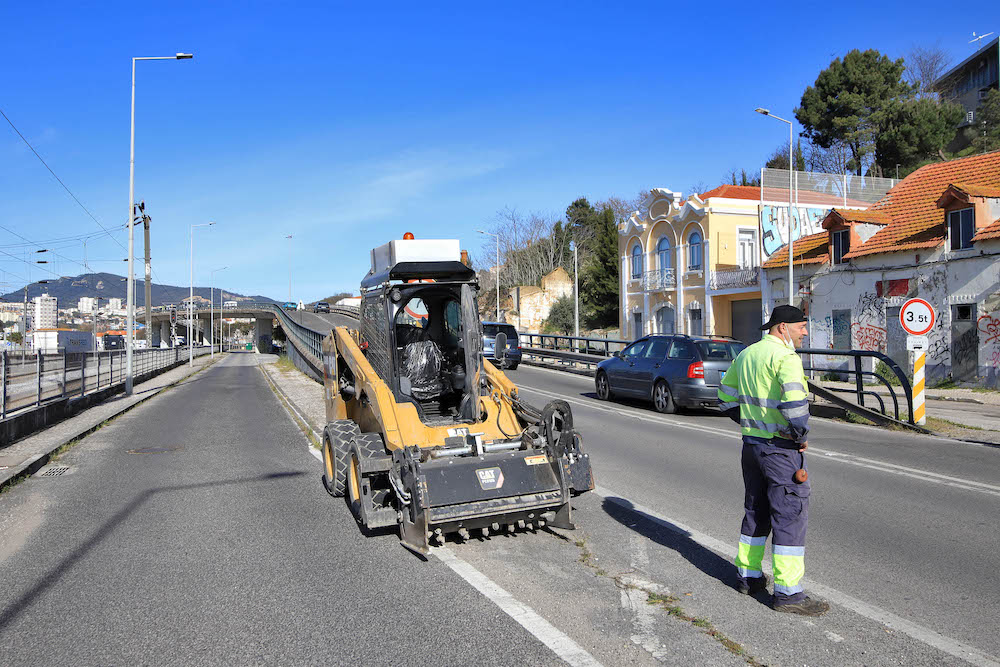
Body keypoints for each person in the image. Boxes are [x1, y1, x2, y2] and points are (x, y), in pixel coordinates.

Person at [718, 304, 829, 616]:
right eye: (800, 327)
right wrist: (799, 437)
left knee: (756, 510)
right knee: (790, 516)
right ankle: (788, 594)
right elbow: (796, 408)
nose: (804, 332)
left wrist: (752, 425)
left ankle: (748, 576)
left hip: (751, 447)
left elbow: (724, 398)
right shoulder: (786, 358)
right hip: (780, 450)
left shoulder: (747, 354)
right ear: (783, 328)